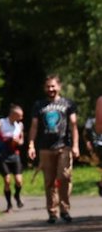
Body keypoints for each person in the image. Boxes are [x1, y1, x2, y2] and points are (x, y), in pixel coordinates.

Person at [26, 75, 79, 223]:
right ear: (45, 88)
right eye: (48, 86)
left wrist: (75, 145)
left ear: (59, 87)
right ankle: (52, 212)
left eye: (53, 86)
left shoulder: (68, 104)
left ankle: (65, 209)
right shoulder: (39, 105)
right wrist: (31, 144)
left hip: (64, 146)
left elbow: (74, 125)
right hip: (45, 148)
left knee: (64, 177)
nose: (51, 89)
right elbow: (34, 126)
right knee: (49, 181)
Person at [0, 104, 26, 213]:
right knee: (7, 180)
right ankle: (9, 205)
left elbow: (21, 141)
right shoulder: (1, 123)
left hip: (14, 155)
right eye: (19, 116)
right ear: (12, 114)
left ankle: (17, 195)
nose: (21, 118)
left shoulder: (20, 125)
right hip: (2, 155)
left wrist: (17, 142)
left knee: (19, 181)